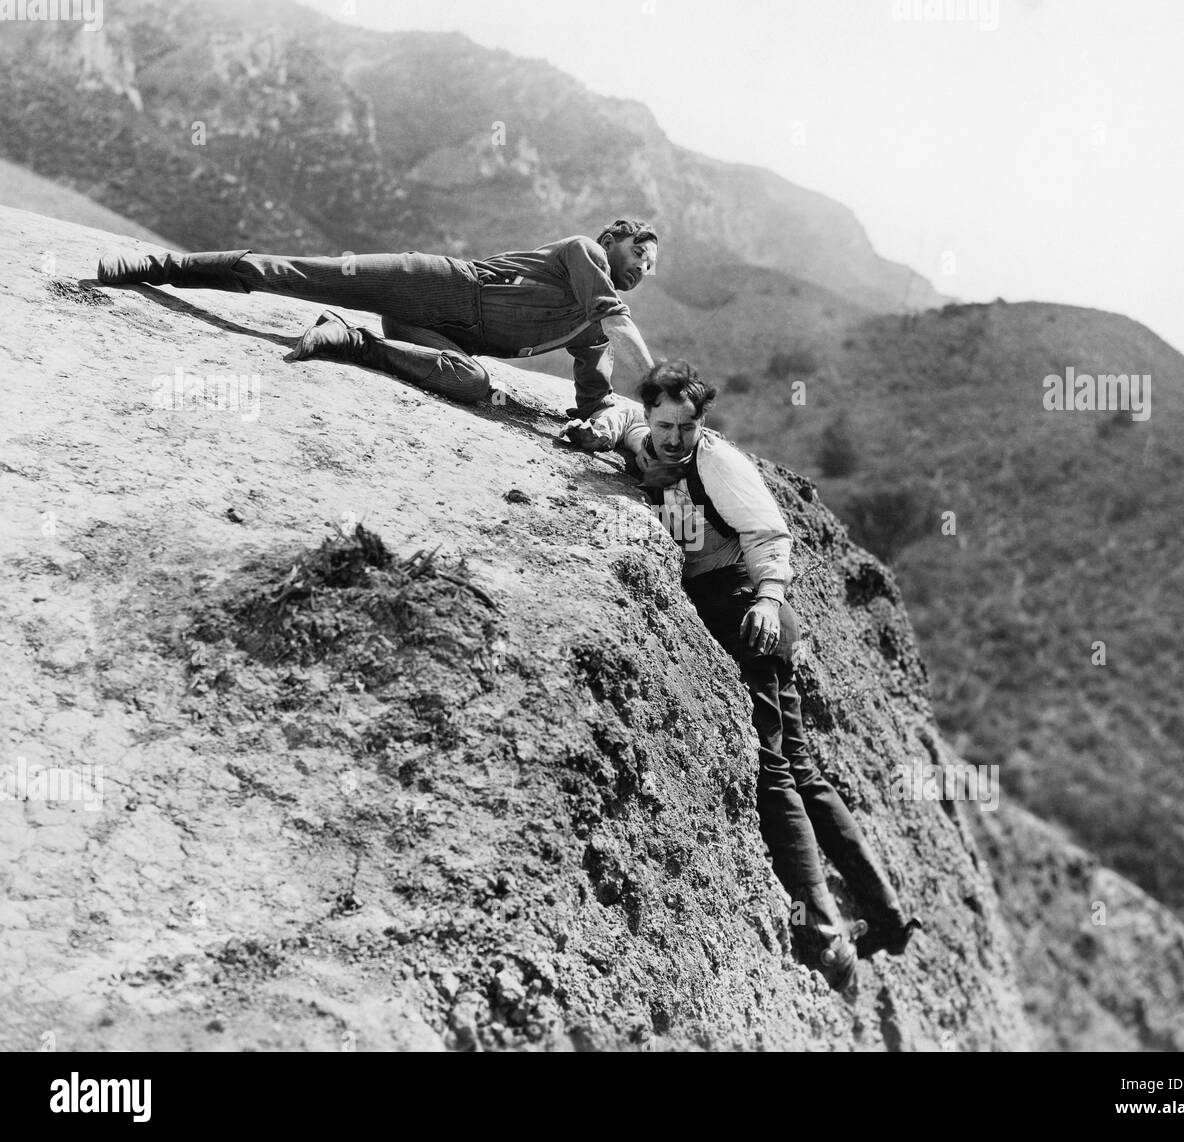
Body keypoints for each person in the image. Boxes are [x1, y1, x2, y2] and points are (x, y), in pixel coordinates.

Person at [569, 361, 921, 992]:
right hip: (726, 601)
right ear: (650, 417)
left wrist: (766, 598)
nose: (674, 437)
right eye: (664, 423)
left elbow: (768, 534)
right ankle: (888, 917)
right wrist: (599, 430)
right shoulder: (639, 434)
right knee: (802, 767)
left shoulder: (716, 464)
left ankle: (825, 930)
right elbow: (616, 414)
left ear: (702, 423)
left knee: (776, 767)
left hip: (748, 604)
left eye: (687, 425)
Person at [96, 219, 659, 419]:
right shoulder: (585, 253)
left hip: (433, 334)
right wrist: (659, 389)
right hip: (431, 281)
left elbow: (594, 398)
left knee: (473, 382)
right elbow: (616, 320)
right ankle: (158, 264)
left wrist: (599, 426)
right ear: (613, 241)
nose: (641, 271)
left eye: (649, 269)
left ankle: (351, 339)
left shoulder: (591, 333)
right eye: (638, 256)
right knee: (294, 272)